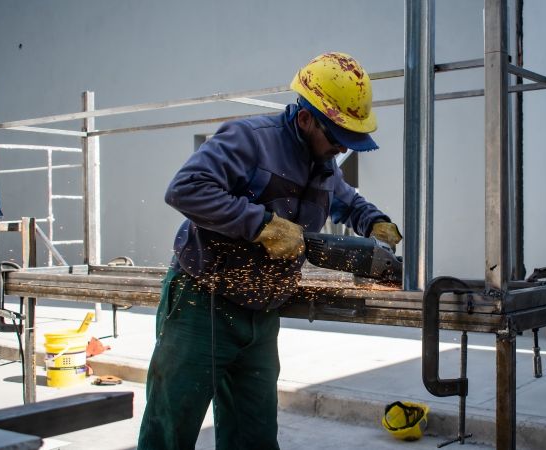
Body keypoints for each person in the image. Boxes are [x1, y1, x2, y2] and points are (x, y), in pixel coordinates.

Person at [137, 52, 402, 450]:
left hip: (261, 314)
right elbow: (185, 189)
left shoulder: (324, 164)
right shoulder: (250, 139)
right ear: (306, 118)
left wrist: (375, 221)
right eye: (336, 139)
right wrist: (261, 226)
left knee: (254, 436)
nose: (339, 150)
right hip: (202, 304)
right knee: (170, 432)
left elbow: (346, 199)